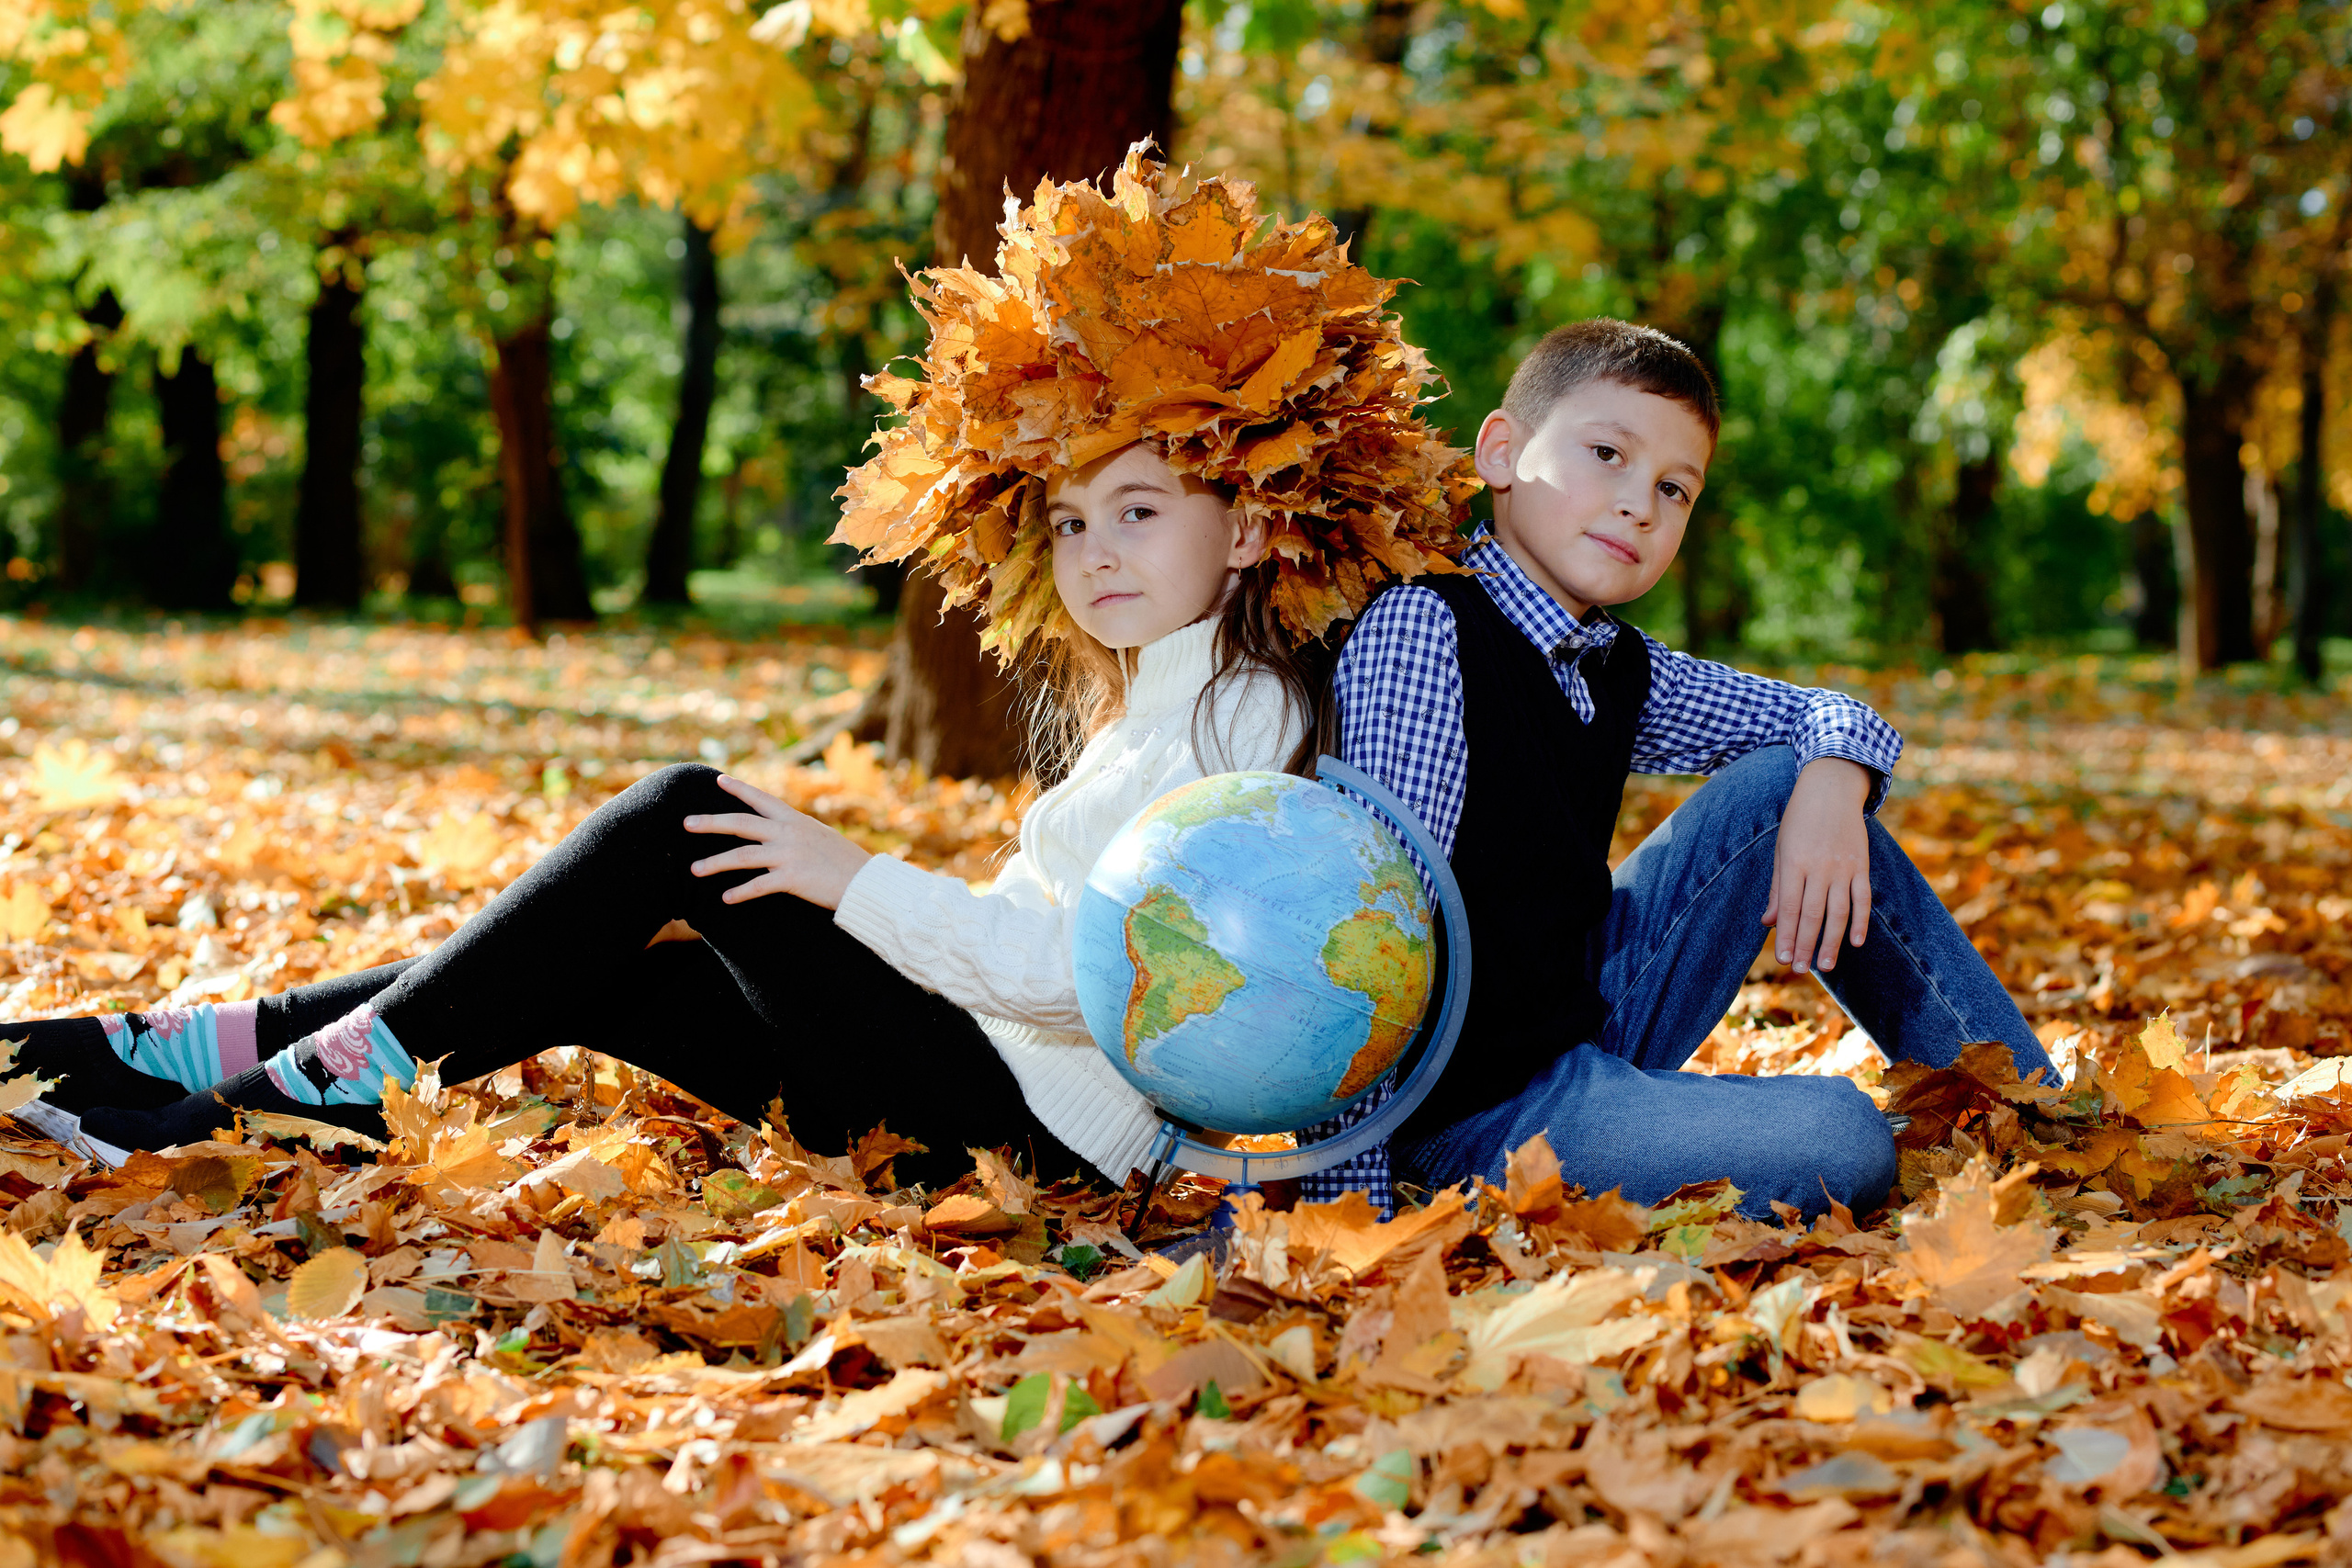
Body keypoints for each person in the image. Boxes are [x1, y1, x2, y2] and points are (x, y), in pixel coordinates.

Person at [6, 149, 1475, 1188]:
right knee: (606, 970)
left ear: (1249, 515)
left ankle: (226, 1110)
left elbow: (1093, 985)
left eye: (1141, 512)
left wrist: (848, 879)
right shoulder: (1165, 684)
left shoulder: (1246, 709)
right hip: (973, 1079)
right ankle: (143, 1054)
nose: (1094, 550)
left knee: (684, 819)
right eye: (1075, 519)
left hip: (1034, 1127)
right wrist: (853, 892)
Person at [1305, 318, 2056, 1220]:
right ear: (1500, 453)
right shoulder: (1429, 630)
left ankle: (2041, 1119)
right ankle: (1464, 1175)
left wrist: (1830, 782)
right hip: (1464, 1112)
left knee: (1791, 779)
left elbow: (1827, 717)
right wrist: (1345, 1201)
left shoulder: (1610, 660)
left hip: (1575, 1019)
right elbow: (1371, 933)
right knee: (1841, 1139)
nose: (1639, 504)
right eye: (1605, 454)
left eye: (1674, 488)